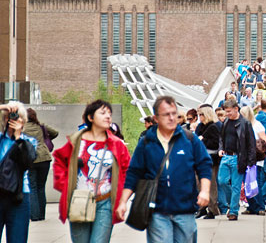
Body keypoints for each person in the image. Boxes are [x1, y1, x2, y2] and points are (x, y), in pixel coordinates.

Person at [116, 96, 212, 243]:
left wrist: (205, 191)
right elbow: (134, 172)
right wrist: (123, 201)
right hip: (157, 210)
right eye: (166, 114)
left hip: (185, 209)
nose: (172, 118)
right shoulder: (147, 141)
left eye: (175, 114)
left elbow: (204, 164)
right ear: (156, 118)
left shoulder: (189, 139)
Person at [53, 100, 131, 243]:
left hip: (105, 201)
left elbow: (128, 170)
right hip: (79, 200)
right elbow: (59, 161)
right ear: (90, 117)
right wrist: (64, 186)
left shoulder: (116, 144)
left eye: (109, 113)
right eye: (102, 113)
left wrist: (122, 199)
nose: (108, 116)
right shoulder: (76, 142)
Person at [0, 102, 37, 243]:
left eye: (16, 117)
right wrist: (3, 107)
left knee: (17, 239)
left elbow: (27, 162)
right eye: (9, 117)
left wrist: (18, 136)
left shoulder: (28, 142)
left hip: (19, 196)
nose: (12, 120)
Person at [217, 99, 256, 221]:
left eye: (229, 111)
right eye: (226, 112)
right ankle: (233, 204)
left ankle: (233, 210)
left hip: (238, 157)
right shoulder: (226, 121)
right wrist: (221, 148)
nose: (227, 114)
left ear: (236, 109)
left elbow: (251, 144)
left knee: (236, 185)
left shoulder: (245, 123)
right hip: (226, 156)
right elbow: (221, 138)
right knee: (222, 181)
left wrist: (250, 161)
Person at [23, 108, 59, 222]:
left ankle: (34, 215)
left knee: (32, 187)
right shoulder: (41, 126)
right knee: (41, 187)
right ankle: (42, 215)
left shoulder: (22, 128)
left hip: (31, 158)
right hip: (45, 158)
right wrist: (45, 139)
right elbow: (55, 132)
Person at [239, 106, 266, 216]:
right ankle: (252, 206)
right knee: (246, 183)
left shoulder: (257, 125)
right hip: (245, 157)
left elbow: (265, 141)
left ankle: (260, 206)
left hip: (256, 158)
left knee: (256, 182)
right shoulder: (241, 125)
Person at [195, 105, 221, 219]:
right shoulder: (200, 126)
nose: (200, 117)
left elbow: (215, 143)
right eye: (199, 115)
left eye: (201, 114)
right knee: (198, 183)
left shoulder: (214, 127)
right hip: (200, 158)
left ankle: (212, 209)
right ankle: (201, 208)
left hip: (211, 159)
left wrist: (203, 140)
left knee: (211, 185)